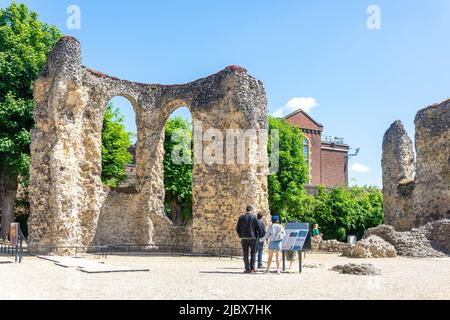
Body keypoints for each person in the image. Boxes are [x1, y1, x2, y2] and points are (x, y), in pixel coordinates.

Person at [236, 206, 264, 273]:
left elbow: (237, 228)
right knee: (253, 253)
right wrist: (260, 236)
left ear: (246, 210)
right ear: (252, 210)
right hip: (253, 238)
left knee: (245, 253)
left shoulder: (241, 217)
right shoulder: (254, 217)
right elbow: (258, 228)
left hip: (244, 238)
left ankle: (247, 269)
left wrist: (240, 235)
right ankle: (252, 268)